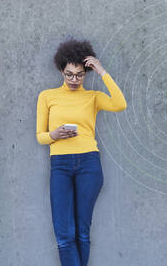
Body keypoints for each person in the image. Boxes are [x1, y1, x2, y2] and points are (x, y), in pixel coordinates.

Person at [36, 38, 127, 266]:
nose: (74, 80)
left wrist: (102, 71)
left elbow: (120, 104)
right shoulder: (47, 96)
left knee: (82, 234)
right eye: (69, 74)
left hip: (89, 164)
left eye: (79, 74)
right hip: (60, 166)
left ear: (86, 73)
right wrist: (53, 136)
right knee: (65, 235)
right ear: (61, 71)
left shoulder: (93, 97)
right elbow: (40, 136)